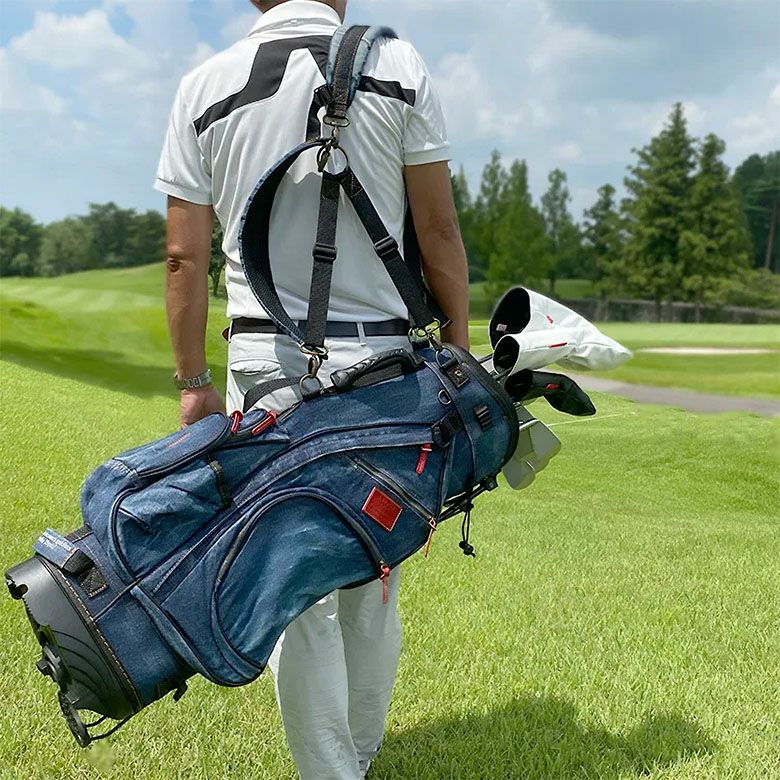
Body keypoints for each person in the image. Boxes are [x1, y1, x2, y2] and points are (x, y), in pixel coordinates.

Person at [154, 1, 469, 777]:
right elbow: (437, 230)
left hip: (266, 367)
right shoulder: (396, 66)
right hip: (387, 370)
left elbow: (184, 258)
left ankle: (335, 770)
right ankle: (354, 756)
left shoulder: (205, 86)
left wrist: (193, 383)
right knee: (374, 568)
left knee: (299, 584)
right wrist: (460, 352)